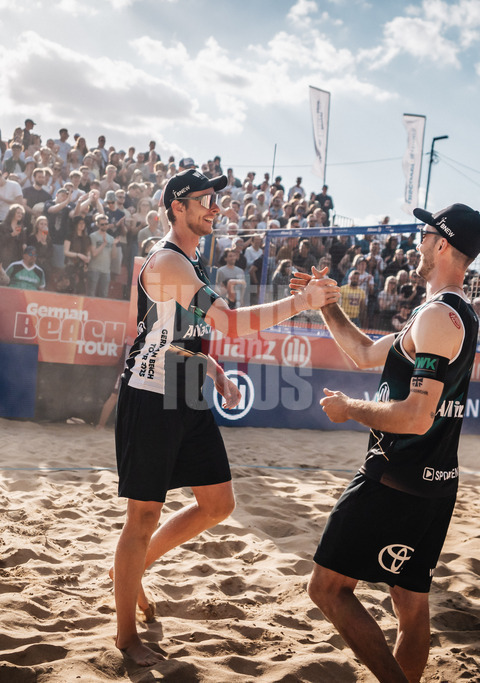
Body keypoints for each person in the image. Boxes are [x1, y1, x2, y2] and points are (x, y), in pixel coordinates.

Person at [111, 168, 339, 667]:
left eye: (216, 200)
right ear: (177, 207)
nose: (215, 208)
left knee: (218, 504)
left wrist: (212, 370)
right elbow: (231, 324)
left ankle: (137, 569)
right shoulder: (169, 261)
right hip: (151, 395)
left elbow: (176, 333)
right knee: (142, 516)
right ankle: (127, 636)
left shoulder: (191, 261)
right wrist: (302, 302)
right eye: (204, 200)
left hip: (185, 389)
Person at [299, 203, 480, 683]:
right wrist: (327, 304)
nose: (417, 242)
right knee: (409, 600)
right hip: (435, 482)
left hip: (395, 479)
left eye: (425, 234)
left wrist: (350, 410)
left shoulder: (439, 318)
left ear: (442, 244)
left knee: (327, 589)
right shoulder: (443, 314)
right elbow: (363, 353)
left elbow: (416, 417)